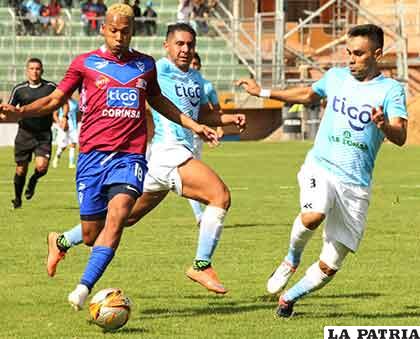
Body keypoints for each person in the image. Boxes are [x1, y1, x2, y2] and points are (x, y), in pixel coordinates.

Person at [0, 5, 221, 311]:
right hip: (92, 159)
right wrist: (21, 112)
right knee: (91, 234)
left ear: (133, 31)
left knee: (117, 218)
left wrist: (195, 125)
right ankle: (59, 241)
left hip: (130, 158)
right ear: (103, 29)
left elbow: (159, 101)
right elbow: (54, 99)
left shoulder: (144, 65)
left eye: (126, 31)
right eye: (114, 30)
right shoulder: (85, 64)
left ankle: (82, 289)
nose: (119, 37)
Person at [45, 23, 245, 298]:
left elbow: (202, 115)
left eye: (190, 45)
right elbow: (149, 94)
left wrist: (229, 120)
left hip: (166, 159)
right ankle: (202, 265)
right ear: (167, 46)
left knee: (122, 218)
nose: (185, 49)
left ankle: (62, 241)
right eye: (179, 44)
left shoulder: (197, 80)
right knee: (219, 196)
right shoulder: (157, 69)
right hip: (167, 152)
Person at [237, 24, 407, 318]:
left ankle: (288, 299)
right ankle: (291, 258)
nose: (351, 59)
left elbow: (401, 135)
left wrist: (383, 125)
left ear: (377, 54)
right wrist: (262, 91)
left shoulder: (391, 90)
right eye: (349, 53)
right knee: (313, 215)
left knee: (331, 264)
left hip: (355, 185)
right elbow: (307, 94)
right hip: (322, 165)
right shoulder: (336, 77)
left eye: (359, 54)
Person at [7, 58, 58, 209]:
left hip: (43, 134)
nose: (34, 71)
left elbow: (64, 101)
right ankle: (17, 199)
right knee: (21, 169)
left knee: (42, 167)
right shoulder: (19, 89)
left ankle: (34, 180)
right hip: (25, 133)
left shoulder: (50, 87)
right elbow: (10, 109)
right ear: (27, 71)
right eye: (31, 68)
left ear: (42, 71)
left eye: (37, 69)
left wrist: (64, 116)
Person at [188, 52, 223, 224]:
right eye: (191, 63)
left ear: (200, 66)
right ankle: (200, 215)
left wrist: (219, 126)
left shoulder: (206, 86)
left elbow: (216, 109)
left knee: (193, 176)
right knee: (191, 176)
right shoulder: (180, 84)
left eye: (196, 64)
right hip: (182, 135)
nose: (193, 66)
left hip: (197, 136)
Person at [52, 96, 78, 169]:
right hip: (63, 126)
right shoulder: (61, 101)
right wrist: (59, 123)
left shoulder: (75, 103)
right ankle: (56, 158)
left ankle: (71, 163)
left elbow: (77, 114)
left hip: (73, 127)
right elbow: (55, 114)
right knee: (63, 146)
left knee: (73, 144)